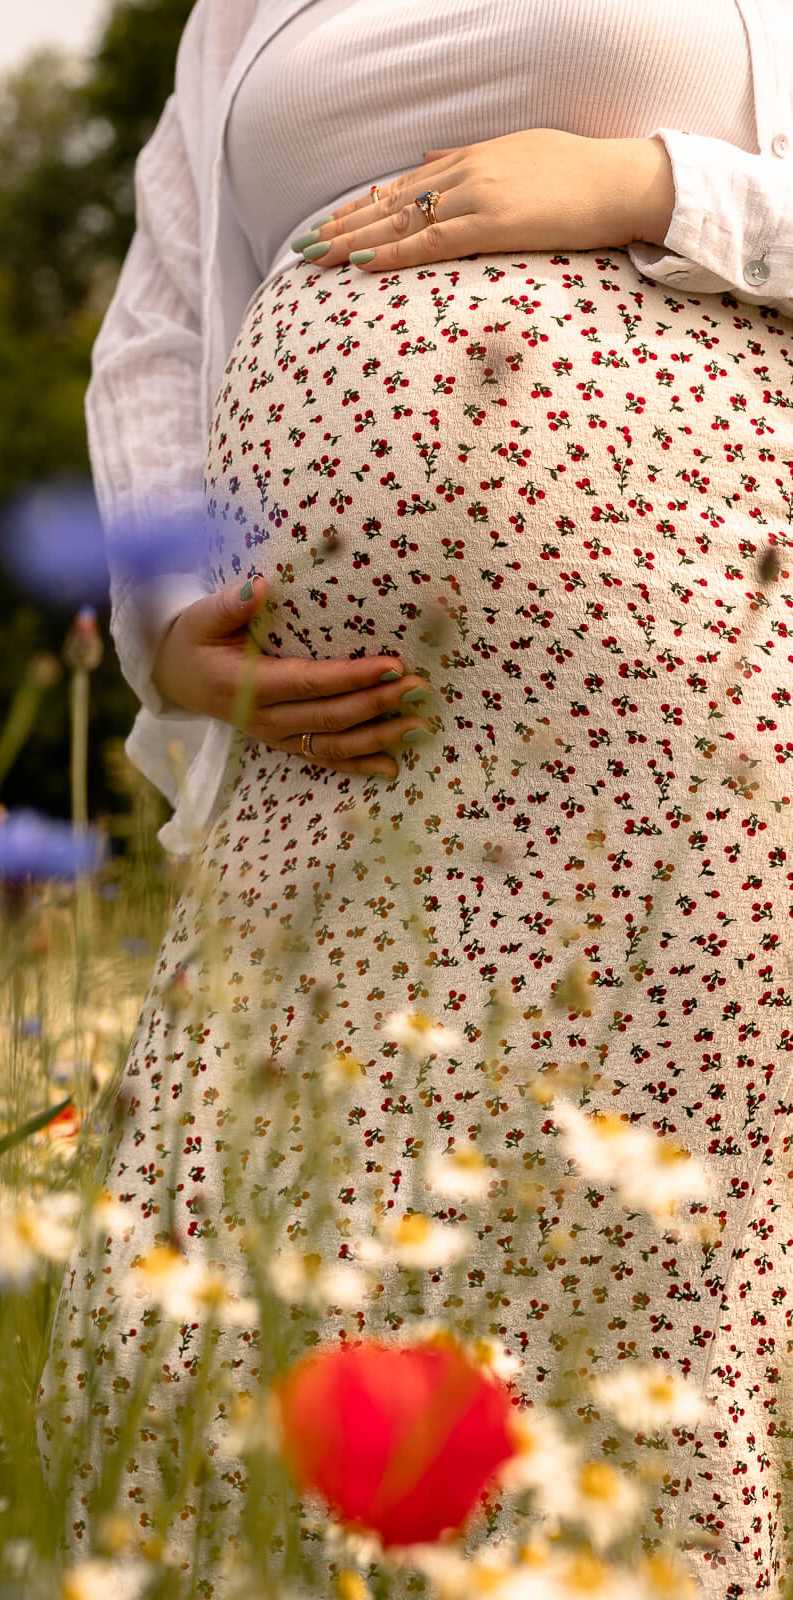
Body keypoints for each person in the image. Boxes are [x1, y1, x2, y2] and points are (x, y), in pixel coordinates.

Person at [39, 2, 793, 1592]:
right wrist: (170, 622)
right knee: (233, 1269)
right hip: (324, 754)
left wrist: (652, 187)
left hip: (679, 721)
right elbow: (162, 325)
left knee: (629, 1276)